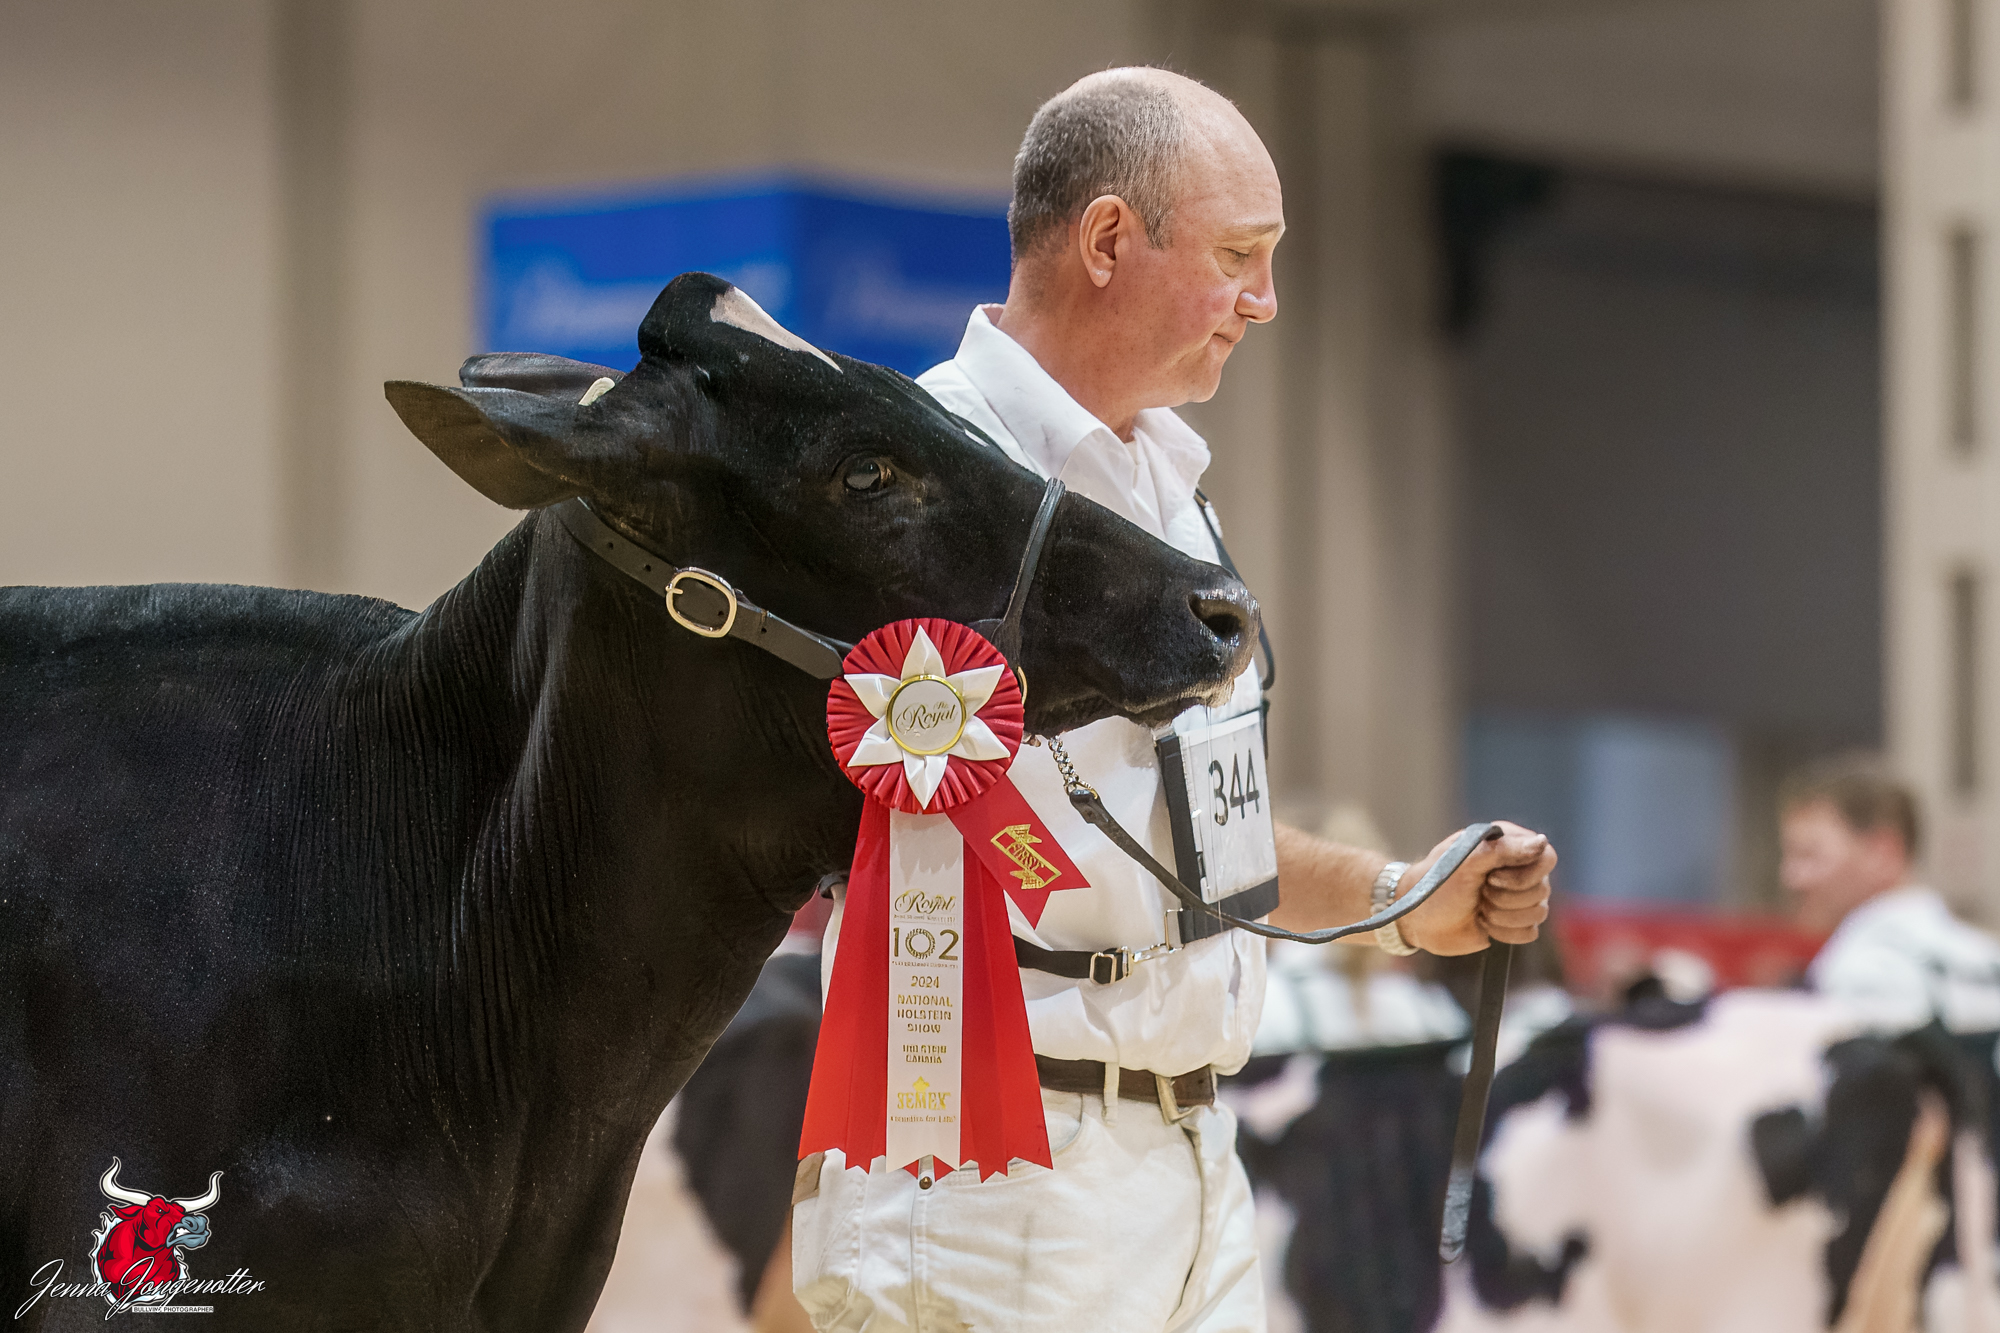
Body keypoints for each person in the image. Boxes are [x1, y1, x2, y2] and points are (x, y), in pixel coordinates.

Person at [790, 67, 1555, 1333]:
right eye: (1237, 256)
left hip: (1197, 1162)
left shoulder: (1174, 495)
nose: (1263, 300)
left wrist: (1400, 895)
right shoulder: (905, 483)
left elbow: (1199, 849)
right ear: (1105, 241)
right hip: (979, 1165)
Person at [1780, 753, 2000, 1033]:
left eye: (1809, 854)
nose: (1791, 878)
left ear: (1882, 853)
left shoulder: (1860, 973)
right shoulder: (1985, 958)